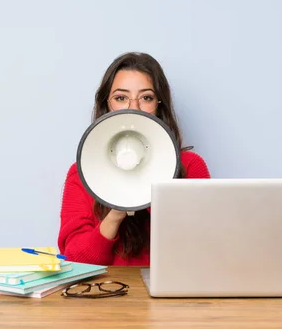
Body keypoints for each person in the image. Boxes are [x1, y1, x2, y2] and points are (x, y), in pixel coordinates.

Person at [57, 52, 211, 266]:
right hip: (107, 295)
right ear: (107, 104)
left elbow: (203, 250)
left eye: (146, 97)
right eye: (121, 98)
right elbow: (75, 260)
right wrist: (115, 212)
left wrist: (152, 190)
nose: (133, 108)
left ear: (159, 104)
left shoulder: (191, 166)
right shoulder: (81, 173)